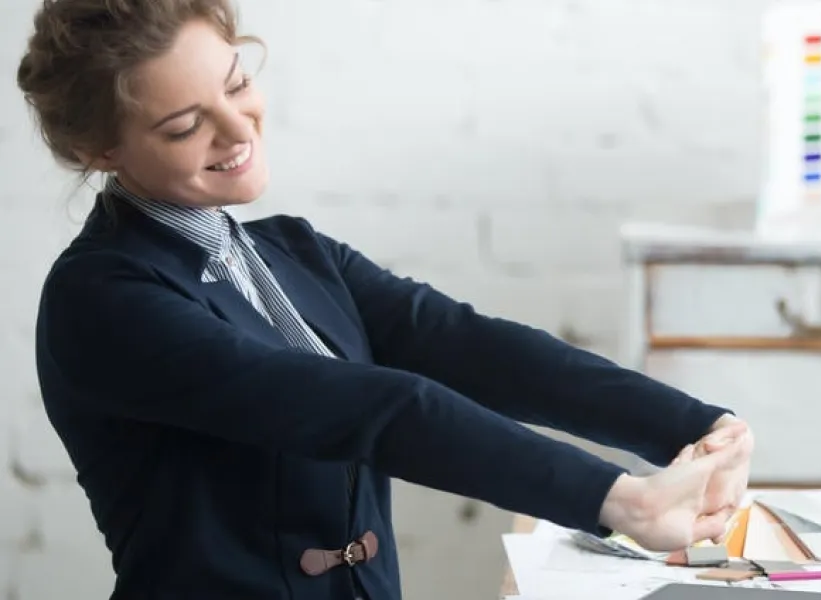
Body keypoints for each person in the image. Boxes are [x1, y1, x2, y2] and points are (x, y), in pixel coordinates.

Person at [18, 1, 755, 598]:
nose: (238, 129)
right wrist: (621, 500)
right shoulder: (103, 300)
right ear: (101, 151)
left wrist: (695, 426)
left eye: (237, 84)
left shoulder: (293, 252)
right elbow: (371, 408)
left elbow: (469, 346)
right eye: (184, 125)